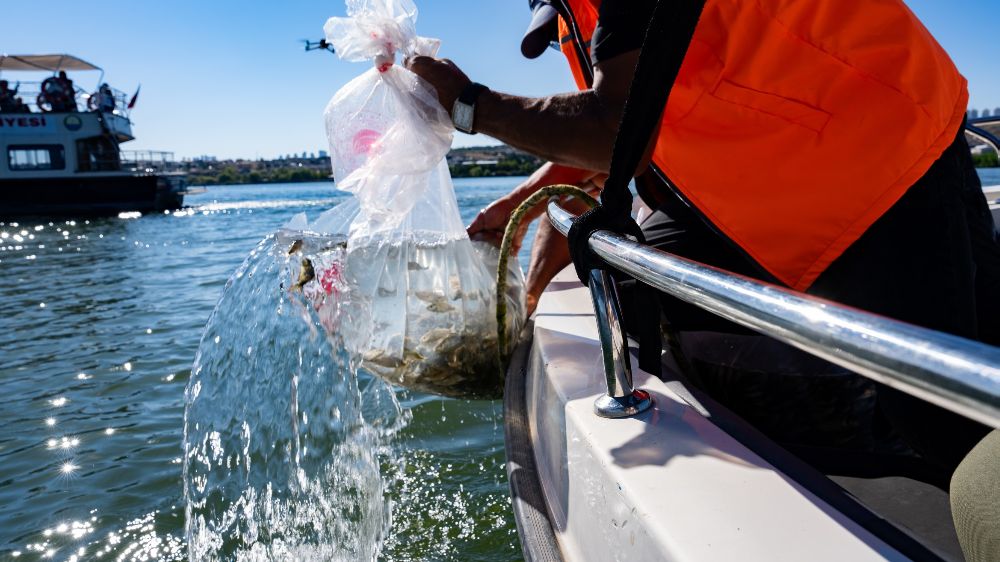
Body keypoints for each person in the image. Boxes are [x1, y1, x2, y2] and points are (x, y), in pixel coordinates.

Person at [406, 0, 998, 479]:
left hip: (881, 157)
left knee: (944, 416)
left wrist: (467, 105)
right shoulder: (589, 16)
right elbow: (615, 131)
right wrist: (514, 220)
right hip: (783, 168)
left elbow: (615, 133)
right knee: (642, 282)